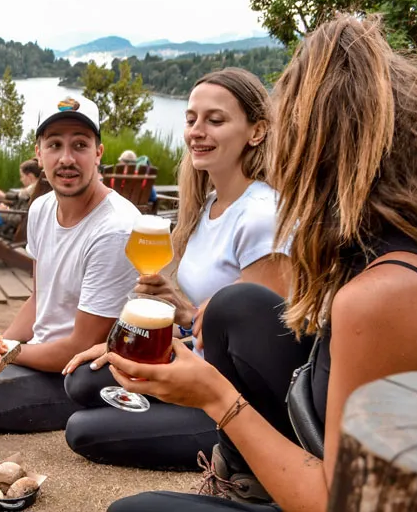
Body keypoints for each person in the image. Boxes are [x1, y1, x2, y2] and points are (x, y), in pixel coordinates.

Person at [106, 15, 417, 511]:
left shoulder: (383, 293)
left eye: (290, 132)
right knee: (238, 304)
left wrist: (216, 396)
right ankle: (244, 475)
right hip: (334, 452)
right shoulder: (375, 255)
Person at [62, 68, 291, 471]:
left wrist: (155, 353)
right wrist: (180, 313)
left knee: (83, 430)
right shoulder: (210, 205)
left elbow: (255, 345)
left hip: (236, 398)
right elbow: (213, 321)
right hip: (202, 365)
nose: (196, 132)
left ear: (257, 131)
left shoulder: (260, 215)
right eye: (191, 119)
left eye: (215, 120)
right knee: (83, 380)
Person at [0, 97, 141, 433]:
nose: (66, 159)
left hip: (80, 370)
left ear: (98, 153)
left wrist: (3, 353)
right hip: (40, 354)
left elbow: (80, 346)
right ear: (39, 153)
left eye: (80, 145)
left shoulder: (115, 229)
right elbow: (39, 298)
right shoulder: (42, 208)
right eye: (55, 145)